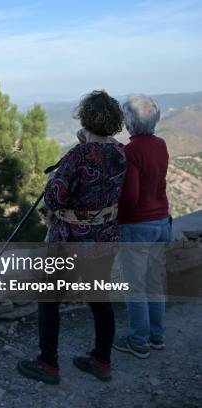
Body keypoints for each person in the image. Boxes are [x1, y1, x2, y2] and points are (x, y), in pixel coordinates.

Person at [17, 90, 127, 384]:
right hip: (104, 238)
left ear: (85, 120)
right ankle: (101, 360)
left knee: (49, 299)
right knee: (100, 299)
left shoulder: (77, 155)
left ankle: (48, 364)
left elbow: (54, 198)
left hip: (68, 240)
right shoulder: (119, 152)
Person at [113, 95, 171, 359]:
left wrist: (118, 219)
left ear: (129, 122)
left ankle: (139, 341)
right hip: (162, 222)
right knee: (154, 283)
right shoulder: (161, 145)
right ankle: (156, 335)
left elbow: (130, 196)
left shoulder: (131, 151)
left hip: (138, 225)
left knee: (135, 287)